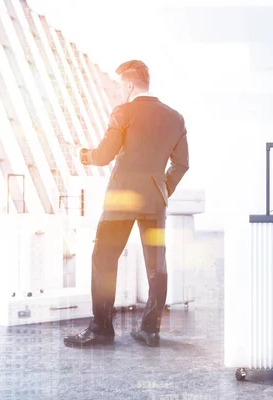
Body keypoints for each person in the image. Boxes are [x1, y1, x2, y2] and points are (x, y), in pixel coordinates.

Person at [64, 60, 189, 348]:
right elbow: (182, 164)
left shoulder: (124, 112)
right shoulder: (175, 118)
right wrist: (159, 188)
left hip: (121, 199)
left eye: (120, 85)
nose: (119, 90)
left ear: (130, 84)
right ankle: (150, 330)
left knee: (104, 260)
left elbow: (103, 155)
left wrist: (81, 154)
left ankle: (102, 330)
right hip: (154, 203)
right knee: (156, 264)